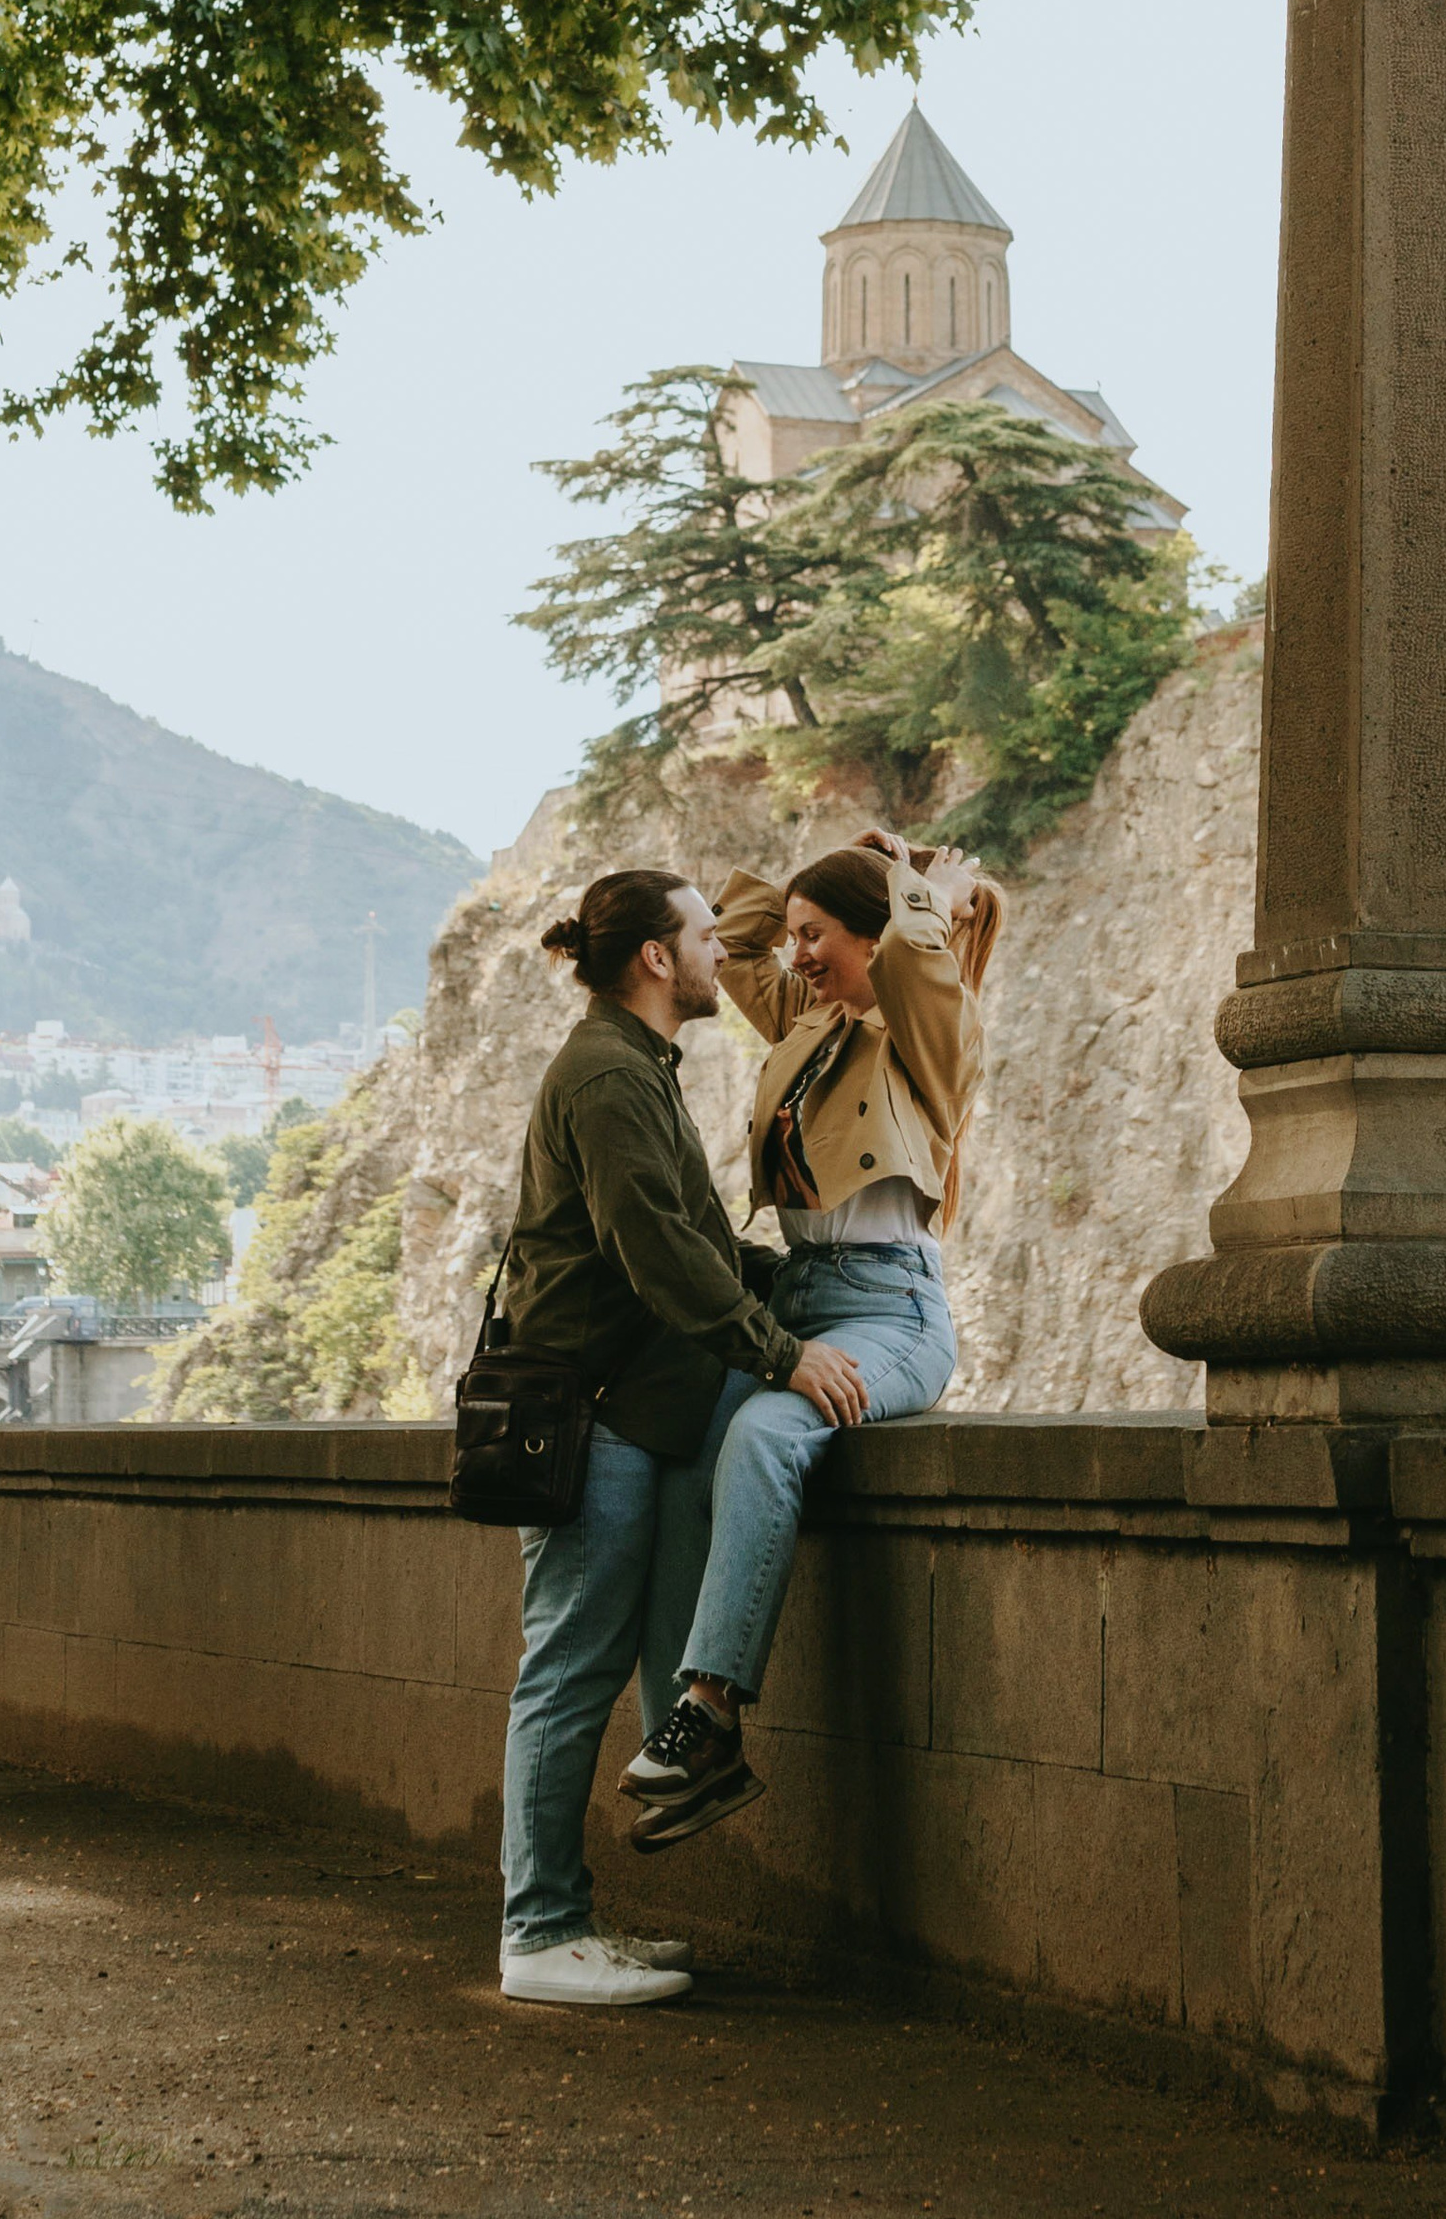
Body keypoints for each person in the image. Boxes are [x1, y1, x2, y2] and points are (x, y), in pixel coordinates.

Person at [494, 866, 866, 2009]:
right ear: (656, 957)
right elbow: (658, 1249)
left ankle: (566, 1920)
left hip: (627, 1408)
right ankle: (539, 1928)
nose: (726, 949)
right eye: (704, 934)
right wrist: (781, 1350)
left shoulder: (633, 1063)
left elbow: (698, 1240)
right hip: (594, 1412)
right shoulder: (607, 1073)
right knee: (566, 1671)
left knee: (580, 1663)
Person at [617, 829, 1004, 1850]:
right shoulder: (812, 1021)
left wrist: (929, 888)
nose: (795, 955)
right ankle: (693, 1745)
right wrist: (838, 859)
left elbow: (920, 959)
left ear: (875, 938)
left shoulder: (929, 1031)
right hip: (798, 1302)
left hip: (892, 1314)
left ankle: (712, 1707)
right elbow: (733, 945)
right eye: (795, 936)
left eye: (816, 935)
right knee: (688, 1459)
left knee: (763, 1438)